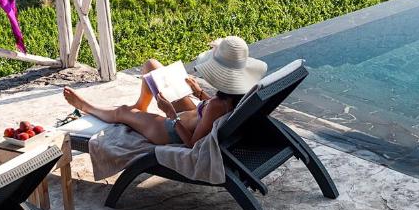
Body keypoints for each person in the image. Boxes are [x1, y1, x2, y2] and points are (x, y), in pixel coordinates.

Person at [62, 36, 267, 148]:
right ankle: (140, 107)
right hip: (195, 113)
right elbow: (218, 109)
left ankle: (86, 106)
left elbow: (193, 145)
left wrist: (170, 114)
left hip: (172, 131)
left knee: (123, 112)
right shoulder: (240, 95)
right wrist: (199, 94)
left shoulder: (216, 105)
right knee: (152, 66)